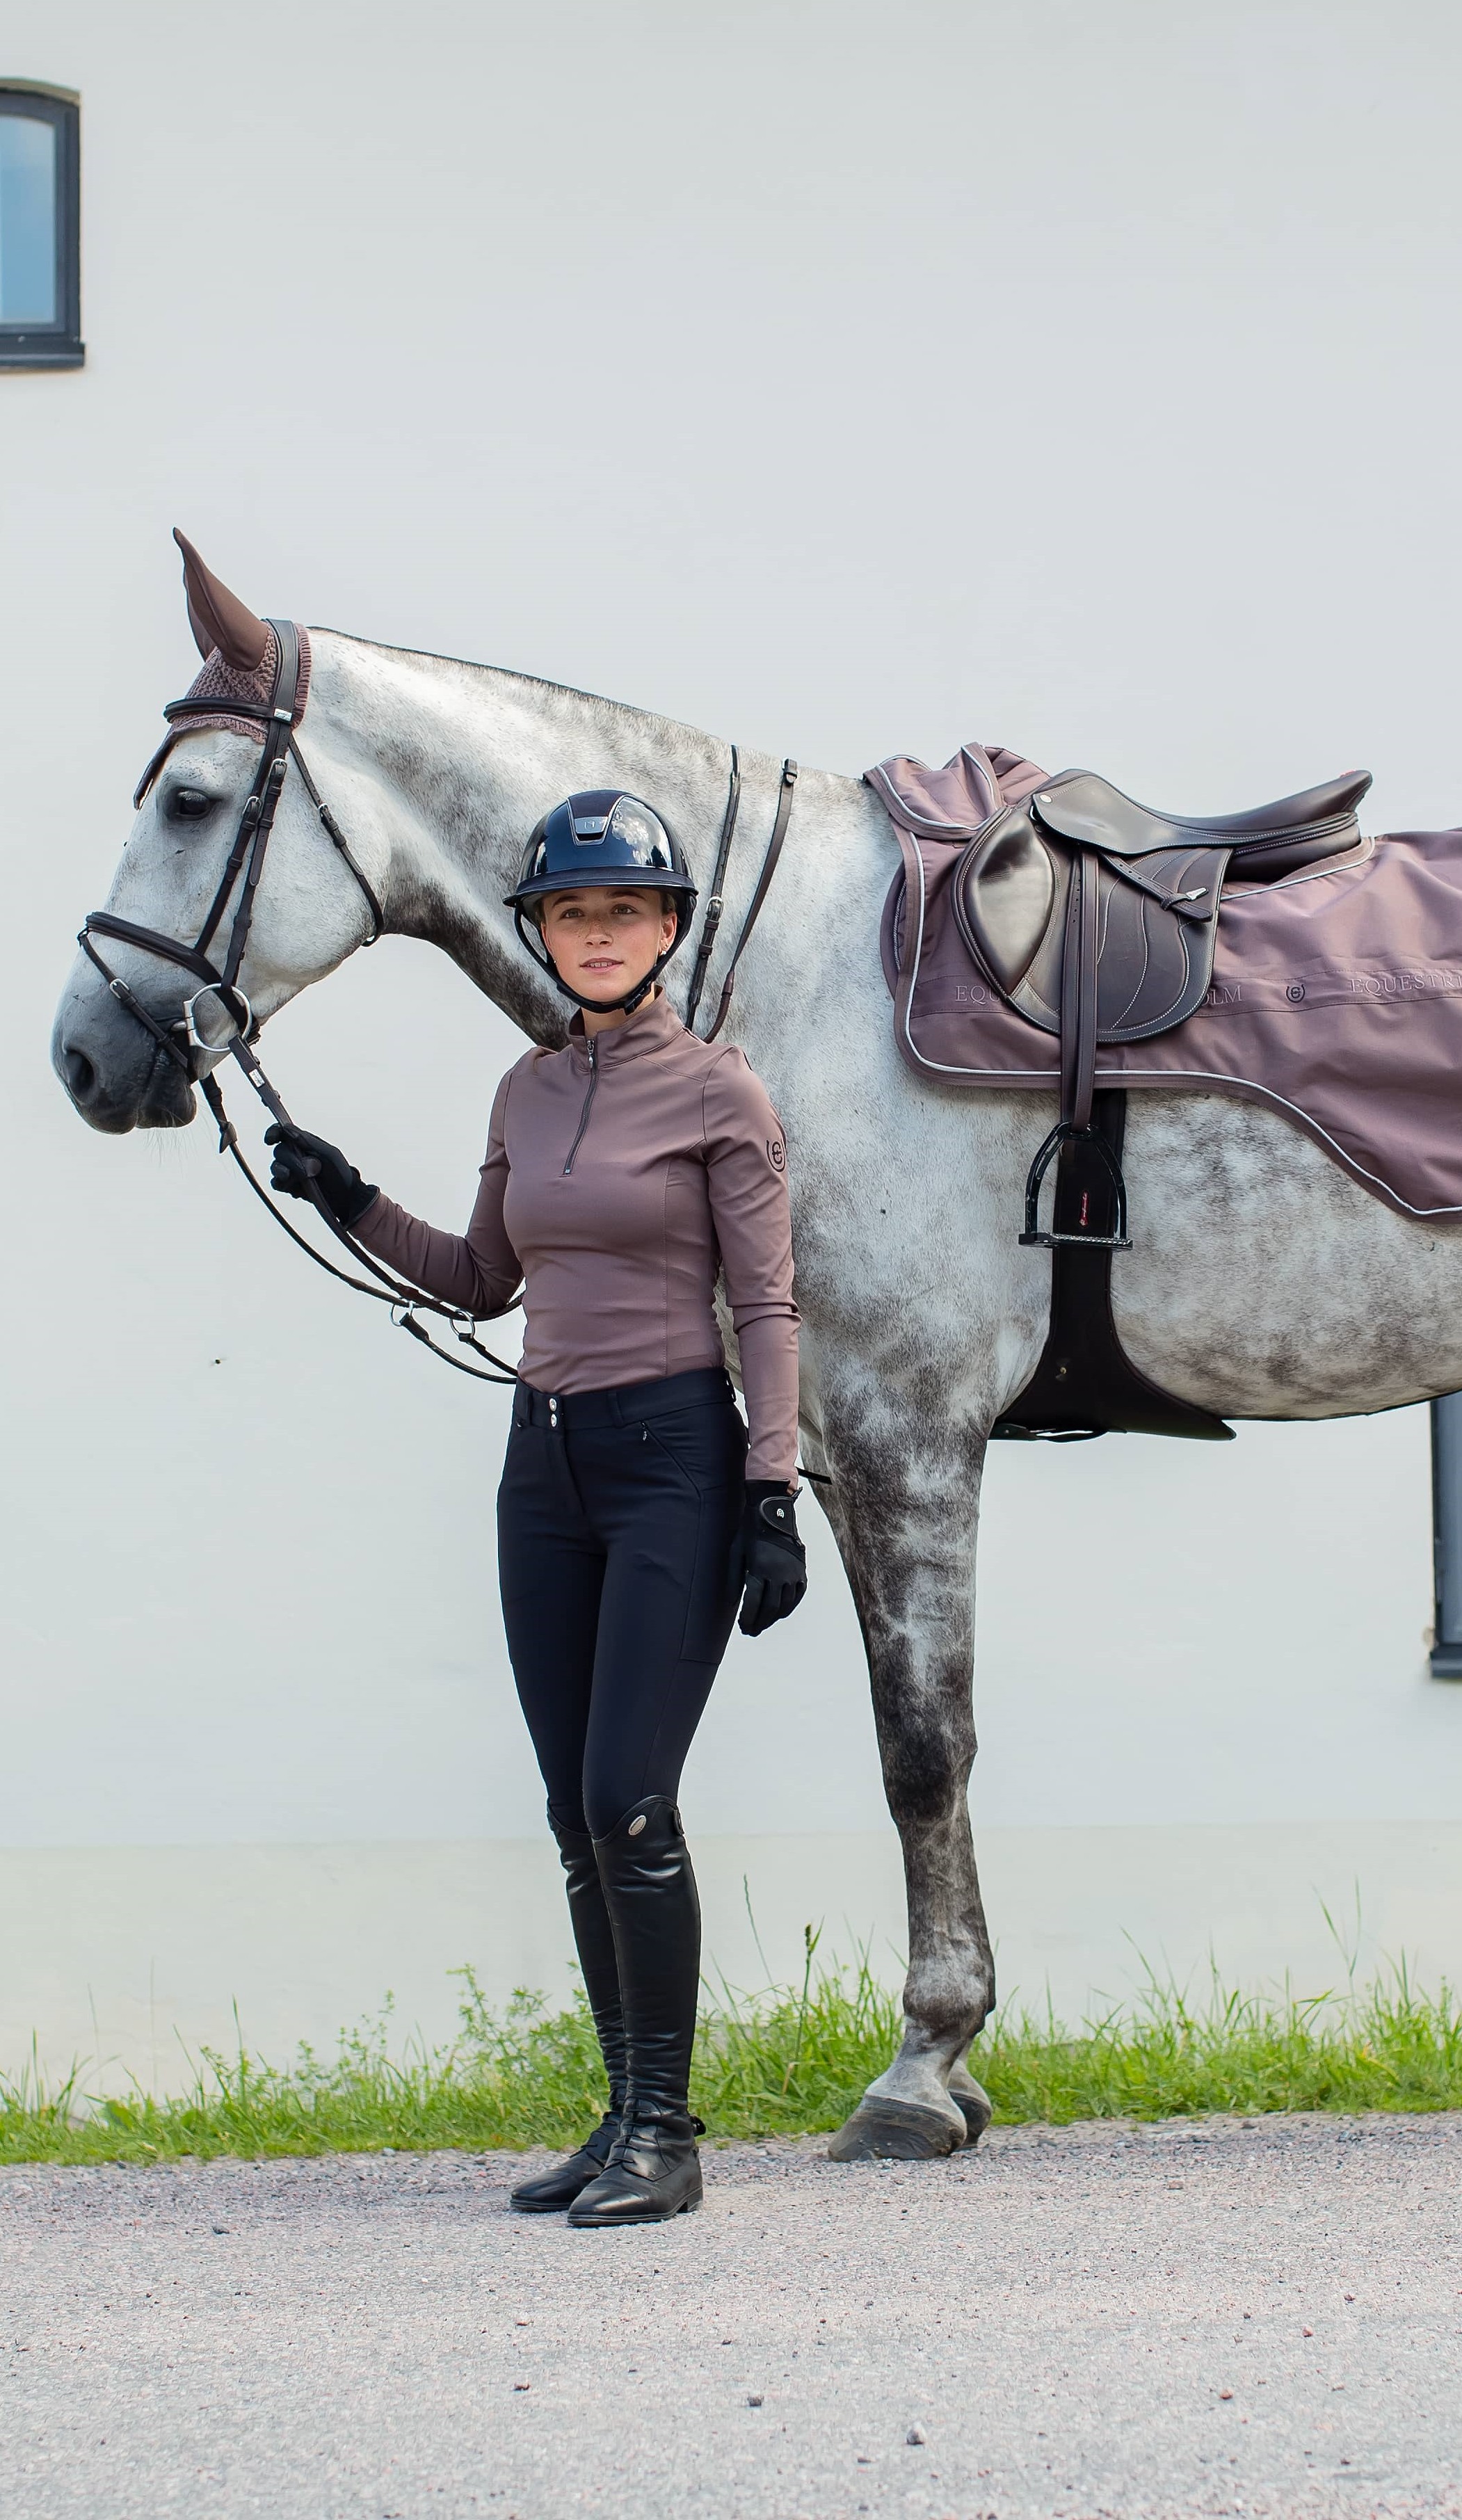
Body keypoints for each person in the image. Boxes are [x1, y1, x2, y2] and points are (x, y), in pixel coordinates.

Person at [265, 791, 808, 2226]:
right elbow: (483, 1277)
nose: (599, 933)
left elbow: (766, 1302)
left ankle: (670, 2137)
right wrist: (349, 1198)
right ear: (544, 935)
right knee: (574, 1813)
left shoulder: (721, 1095)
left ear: (668, 929)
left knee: (632, 1799)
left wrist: (774, 1488)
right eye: (574, 913)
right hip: (544, 1464)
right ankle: (621, 2115)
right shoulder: (527, 1091)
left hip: (675, 1458)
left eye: (625, 910)